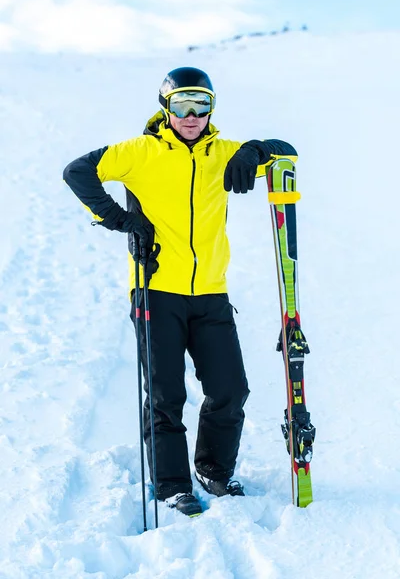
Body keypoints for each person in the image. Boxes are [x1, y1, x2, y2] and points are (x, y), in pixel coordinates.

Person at [63, 67, 297, 517]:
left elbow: (288, 155)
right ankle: (172, 485)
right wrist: (119, 218)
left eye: (201, 105)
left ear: (212, 108)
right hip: (156, 292)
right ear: (165, 107)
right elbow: (77, 171)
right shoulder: (139, 152)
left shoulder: (222, 153)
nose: (192, 116)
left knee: (231, 389)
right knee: (166, 395)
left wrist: (255, 150)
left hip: (211, 293)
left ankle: (213, 470)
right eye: (182, 106)